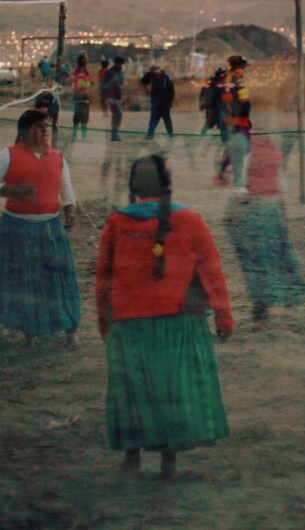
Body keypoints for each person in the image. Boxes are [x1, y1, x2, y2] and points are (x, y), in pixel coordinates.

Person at [95, 154, 234, 479]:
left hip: (129, 325)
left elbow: (103, 279)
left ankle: (132, 459)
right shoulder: (188, 219)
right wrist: (223, 317)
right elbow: (212, 270)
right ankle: (168, 462)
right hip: (178, 322)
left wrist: (105, 322)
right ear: (167, 184)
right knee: (170, 390)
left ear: (134, 186)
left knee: (133, 390)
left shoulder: (117, 223)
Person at [0, 110, 80, 345]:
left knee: (59, 277)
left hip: (50, 228)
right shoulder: (8, 155)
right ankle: (29, 331)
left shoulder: (57, 158)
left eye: (46, 127)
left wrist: (70, 210)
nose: (45, 131)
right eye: (38, 127)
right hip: (16, 228)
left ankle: (70, 328)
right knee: (24, 281)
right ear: (24, 132)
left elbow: (67, 190)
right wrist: (12, 191)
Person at [225, 136, 305, 326]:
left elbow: (240, 182)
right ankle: (285, 302)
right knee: (278, 255)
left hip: (255, 208)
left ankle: (263, 307)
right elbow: (280, 181)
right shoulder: (269, 144)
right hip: (272, 207)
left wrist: (236, 211)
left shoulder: (245, 142)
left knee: (258, 258)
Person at [221, 55, 252, 193]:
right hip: (237, 121)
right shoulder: (233, 81)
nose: (244, 70)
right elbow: (232, 102)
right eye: (243, 67)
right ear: (238, 68)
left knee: (237, 147)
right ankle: (238, 181)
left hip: (239, 120)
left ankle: (223, 167)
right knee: (241, 148)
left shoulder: (233, 81)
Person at [141, 63, 175, 139]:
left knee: (166, 118)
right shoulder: (152, 76)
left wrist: (170, 102)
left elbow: (171, 91)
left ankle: (170, 134)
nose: (154, 72)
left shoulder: (166, 78)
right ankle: (150, 134)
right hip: (156, 101)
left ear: (160, 70)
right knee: (154, 118)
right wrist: (149, 73)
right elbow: (144, 81)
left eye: (155, 70)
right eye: (153, 70)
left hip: (164, 102)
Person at [200, 66, 228, 140]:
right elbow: (205, 89)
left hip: (221, 105)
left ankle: (224, 138)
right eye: (223, 74)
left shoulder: (224, 82)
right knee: (209, 123)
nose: (224, 75)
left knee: (223, 123)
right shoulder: (212, 81)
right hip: (213, 106)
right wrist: (202, 104)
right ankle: (201, 137)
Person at [102, 57, 126, 142]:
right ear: (116, 63)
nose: (120, 65)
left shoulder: (121, 73)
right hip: (111, 97)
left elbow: (121, 84)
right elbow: (104, 85)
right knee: (118, 114)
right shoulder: (109, 72)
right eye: (119, 63)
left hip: (118, 96)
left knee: (117, 115)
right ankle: (114, 134)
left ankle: (114, 134)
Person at [71, 51, 92, 140]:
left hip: (84, 95)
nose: (86, 60)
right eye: (85, 59)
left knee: (85, 116)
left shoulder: (84, 70)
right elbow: (77, 82)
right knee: (78, 116)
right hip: (79, 95)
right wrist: (86, 84)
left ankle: (83, 136)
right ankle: (75, 136)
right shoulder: (77, 70)